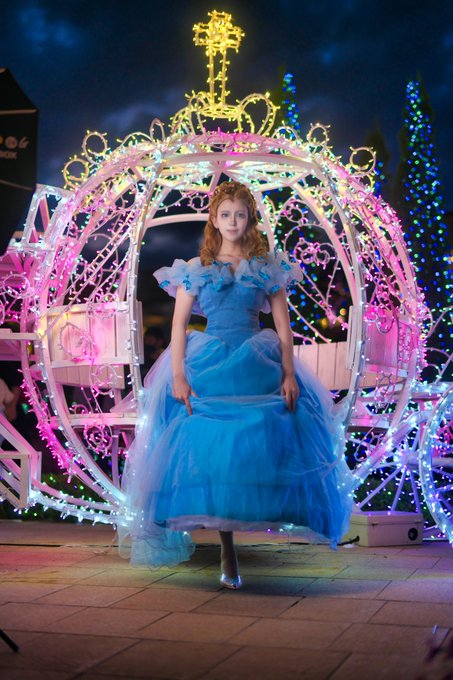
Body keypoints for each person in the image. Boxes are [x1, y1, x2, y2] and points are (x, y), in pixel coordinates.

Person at [119, 180, 353, 589]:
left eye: (239, 215)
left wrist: (288, 373)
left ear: (250, 220)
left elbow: (283, 327)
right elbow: (178, 326)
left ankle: (266, 519)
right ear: (214, 219)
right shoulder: (196, 268)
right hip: (208, 360)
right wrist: (178, 375)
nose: (232, 221)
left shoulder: (266, 267)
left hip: (254, 357)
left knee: (269, 430)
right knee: (207, 439)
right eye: (225, 214)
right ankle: (227, 550)